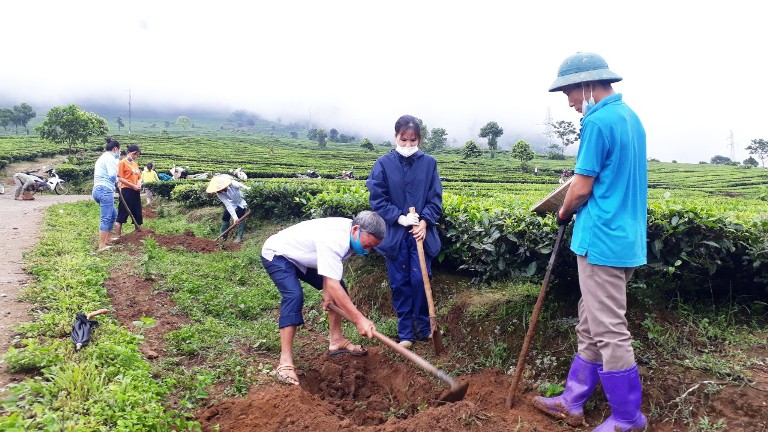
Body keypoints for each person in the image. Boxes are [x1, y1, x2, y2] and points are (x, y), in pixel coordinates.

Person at [532, 52, 648, 431]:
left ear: (587, 84)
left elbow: (581, 187)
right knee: (592, 322)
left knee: (610, 330)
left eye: (569, 92)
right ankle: (572, 401)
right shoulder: (632, 119)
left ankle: (628, 419)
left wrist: (563, 211)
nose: (569, 101)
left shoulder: (598, 122)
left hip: (601, 242)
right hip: (625, 240)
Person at [260, 210, 386, 385]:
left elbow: (329, 269)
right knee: (294, 295)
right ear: (356, 229)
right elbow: (332, 277)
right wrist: (359, 319)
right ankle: (285, 363)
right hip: (279, 254)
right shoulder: (336, 239)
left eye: (372, 248)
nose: (368, 250)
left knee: (337, 288)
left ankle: (337, 341)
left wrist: (328, 292)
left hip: (305, 257)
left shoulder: (351, 236)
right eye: (367, 245)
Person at [366, 115, 443, 349]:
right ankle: (406, 332)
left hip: (420, 235)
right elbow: (377, 199)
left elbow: (435, 198)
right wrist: (399, 217)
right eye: (404, 139)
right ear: (396, 137)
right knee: (400, 282)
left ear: (419, 139)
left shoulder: (429, 163)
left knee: (420, 280)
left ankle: (423, 327)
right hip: (395, 236)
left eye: (413, 140)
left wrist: (424, 222)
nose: (408, 145)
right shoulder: (383, 164)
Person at [92, 138, 121, 251]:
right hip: (105, 189)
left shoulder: (103, 157)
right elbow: (112, 174)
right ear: (115, 149)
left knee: (113, 215)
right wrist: (117, 182)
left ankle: (107, 239)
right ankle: (101, 245)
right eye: (119, 151)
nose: (119, 153)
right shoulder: (110, 158)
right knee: (106, 218)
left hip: (98, 189)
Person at [206, 174, 250, 242]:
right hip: (232, 202)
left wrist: (252, 195)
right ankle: (223, 237)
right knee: (225, 216)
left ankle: (239, 238)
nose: (221, 191)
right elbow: (228, 205)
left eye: (222, 189)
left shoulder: (233, 183)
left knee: (240, 215)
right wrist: (235, 218)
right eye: (219, 190)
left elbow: (244, 187)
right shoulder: (219, 194)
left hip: (243, 200)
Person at [114, 144, 143, 237]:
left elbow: (140, 177)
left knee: (137, 211)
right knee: (123, 212)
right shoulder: (122, 163)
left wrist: (138, 184)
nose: (135, 156)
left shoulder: (135, 164)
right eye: (134, 154)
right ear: (128, 153)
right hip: (127, 190)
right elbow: (120, 178)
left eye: (137, 155)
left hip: (136, 191)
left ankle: (137, 235)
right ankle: (117, 236)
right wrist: (132, 185)